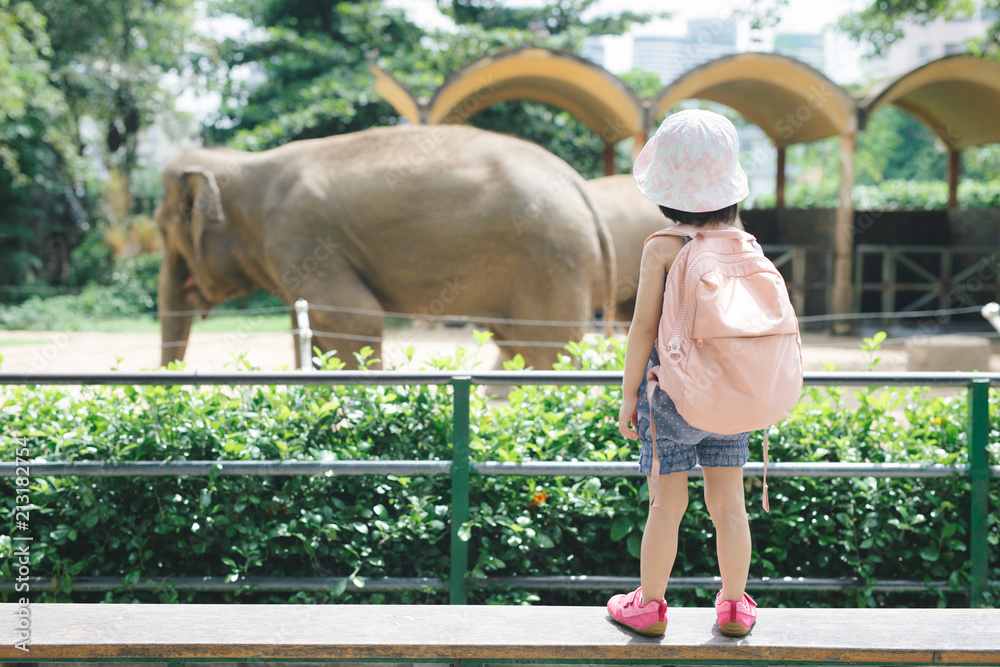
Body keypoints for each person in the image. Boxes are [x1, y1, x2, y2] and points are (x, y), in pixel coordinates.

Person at [606, 109, 759, 638]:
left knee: (666, 504)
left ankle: (649, 606)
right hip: (732, 394)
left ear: (665, 189)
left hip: (669, 395)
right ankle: (735, 607)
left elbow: (642, 329)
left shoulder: (663, 247)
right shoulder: (745, 244)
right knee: (728, 504)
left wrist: (629, 397)